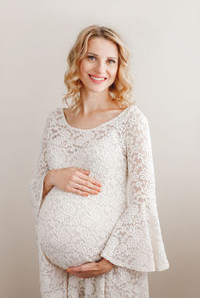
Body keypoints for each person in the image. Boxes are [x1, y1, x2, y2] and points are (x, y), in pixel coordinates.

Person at [30, 24, 170, 298]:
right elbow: (38, 184)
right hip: (60, 275)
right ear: (77, 61)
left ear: (119, 69)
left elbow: (143, 200)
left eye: (111, 61)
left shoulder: (131, 121)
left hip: (111, 270)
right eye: (92, 57)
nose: (100, 69)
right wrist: (54, 177)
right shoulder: (55, 122)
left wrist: (112, 260)